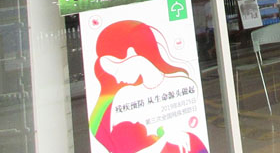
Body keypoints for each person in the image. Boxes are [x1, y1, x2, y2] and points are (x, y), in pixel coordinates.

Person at [88, 20, 208, 153]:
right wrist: (165, 139)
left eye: (116, 69)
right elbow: (123, 148)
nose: (116, 78)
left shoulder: (184, 83)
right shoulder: (124, 96)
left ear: (132, 53)